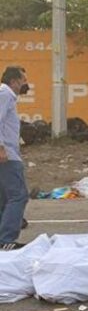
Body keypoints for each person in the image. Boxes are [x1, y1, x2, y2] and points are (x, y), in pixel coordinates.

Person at [0, 66, 30, 250]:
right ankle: (6, 239)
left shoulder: (6, 95)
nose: (26, 84)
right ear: (14, 81)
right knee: (18, 196)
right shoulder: (5, 94)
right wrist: (1, 148)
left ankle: (3, 238)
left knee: (4, 198)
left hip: (8, 152)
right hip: (7, 156)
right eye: (23, 80)